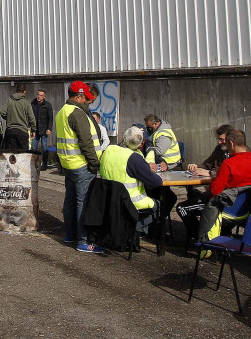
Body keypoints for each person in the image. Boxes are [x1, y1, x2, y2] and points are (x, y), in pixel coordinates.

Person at [189, 129, 251, 256]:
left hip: (226, 210)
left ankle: (201, 242)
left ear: (231, 144)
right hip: (248, 210)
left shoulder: (228, 164)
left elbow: (215, 191)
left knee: (188, 205)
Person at [56, 80, 105, 253]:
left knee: (70, 200)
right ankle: (83, 240)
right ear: (78, 97)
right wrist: (95, 163)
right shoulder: (77, 114)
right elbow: (86, 143)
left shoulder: (62, 111)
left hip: (68, 164)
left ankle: (70, 234)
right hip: (82, 165)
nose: (88, 101)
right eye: (86, 98)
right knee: (82, 202)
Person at [178, 124, 235, 232]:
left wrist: (210, 172)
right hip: (217, 191)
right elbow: (208, 163)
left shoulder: (235, 154)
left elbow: (228, 172)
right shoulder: (220, 149)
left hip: (223, 197)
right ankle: (204, 229)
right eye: (218, 139)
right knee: (193, 192)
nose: (219, 142)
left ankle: (199, 236)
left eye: (222, 139)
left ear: (230, 140)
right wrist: (197, 167)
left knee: (182, 207)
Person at [99, 126, 162, 211]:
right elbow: (156, 182)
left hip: (108, 200)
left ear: (123, 137)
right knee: (159, 203)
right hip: (131, 204)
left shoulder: (108, 149)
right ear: (140, 144)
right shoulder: (134, 158)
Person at [1, 84, 36, 150]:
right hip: (22, 131)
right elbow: (32, 118)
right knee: (22, 154)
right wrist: (33, 130)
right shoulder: (26, 102)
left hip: (10, 131)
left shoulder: (9, 100)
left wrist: (9, 118)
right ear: (24, 92)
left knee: (11, 155)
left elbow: (2, 112)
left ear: (16, 90)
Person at [30, 89, 54, 170]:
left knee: (44, 147)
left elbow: (50, 118)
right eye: (38, 94)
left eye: (41, 95)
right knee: (34, 147)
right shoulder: (32, 104)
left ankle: (44, 164)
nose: (38, 97)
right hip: (35, 130)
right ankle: (34, 164)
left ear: (44, 97)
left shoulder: (47, 105)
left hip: (44, 130)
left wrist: (49, 128)